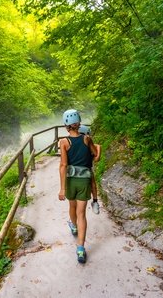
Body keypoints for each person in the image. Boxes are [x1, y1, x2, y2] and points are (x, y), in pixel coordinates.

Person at [59, 109, 98, 263]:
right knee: (82, 213)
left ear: (66, 125)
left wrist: (62, 188)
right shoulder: (87, 139)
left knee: (72, 206)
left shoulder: (64, 142)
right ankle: (80, 248)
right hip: (84, 181)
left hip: (70, 180)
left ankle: (73, 226)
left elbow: (63, 165)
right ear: (78, 123)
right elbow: (94, 154)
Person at [78, 125, 101, 214]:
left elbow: (97, 158)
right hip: (75, 170)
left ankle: (95, 201)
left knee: (93, 183)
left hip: (87, 168)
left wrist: (98, 148)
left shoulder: (89, 144)